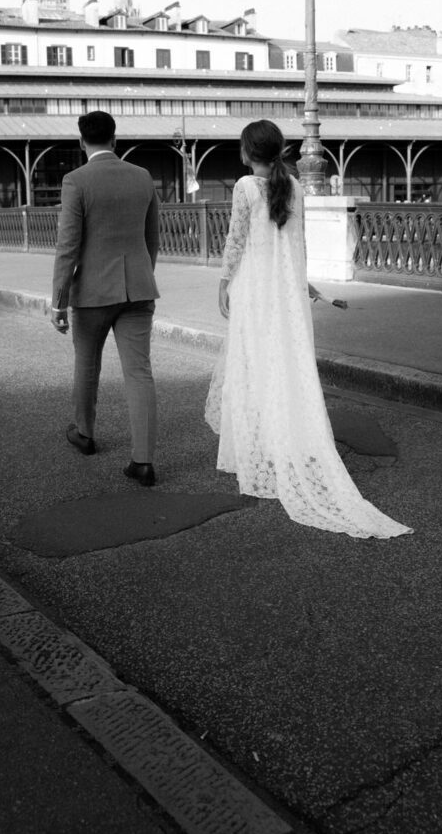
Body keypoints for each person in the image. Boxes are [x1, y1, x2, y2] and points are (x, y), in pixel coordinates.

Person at [205, 119, 412, 538]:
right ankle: (289, 441)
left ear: (247, 153)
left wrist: (225, 282)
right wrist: (305, 286)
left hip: (254, 291)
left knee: (251, 367)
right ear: (279, 151)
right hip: (285, 295)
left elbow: (235, 241)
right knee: (284, 366)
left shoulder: (244, 187)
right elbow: (298, 247)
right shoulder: (296, 187)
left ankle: (257, 448)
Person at [51, 110, 160, 487]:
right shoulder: (142, 176)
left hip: (93, 293)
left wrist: (59, 300)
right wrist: (143, 277)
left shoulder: (76, 180)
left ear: (82, 143)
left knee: (87, 364)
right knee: (139, 372)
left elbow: (68, 246)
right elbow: (152, 239)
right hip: (138, 289)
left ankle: (84, 434)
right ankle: (143, 462)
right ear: (115, 139)